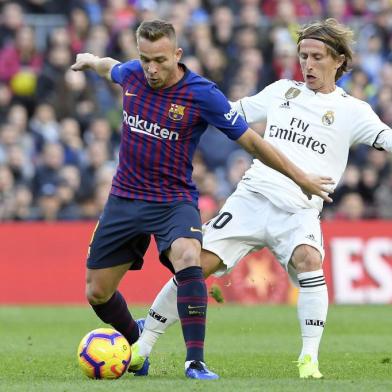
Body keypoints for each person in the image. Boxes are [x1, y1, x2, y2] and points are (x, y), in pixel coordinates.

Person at [70, 19, 333, 380]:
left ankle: (195, 362)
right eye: (145, 58)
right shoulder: (132, 75)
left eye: (159, 60)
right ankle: (137, 345)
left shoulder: (201, 93)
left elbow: (252, 142)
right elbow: (108, 67)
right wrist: (88, 59)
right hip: (124, 198)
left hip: (173, 200)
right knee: (97, 293)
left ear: (177, 55)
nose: (151, 68)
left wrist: (300, 177)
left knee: (189, 257)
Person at [134, 18, 392, 379]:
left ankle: (308, 359)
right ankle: (141, 346)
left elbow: (387, 138)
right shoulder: (282, 91)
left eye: (317, 56)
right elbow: (230, 114)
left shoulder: (354, 111)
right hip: (252, 197)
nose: (308, 64)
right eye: (303, 55)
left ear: (338, 60)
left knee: (309, 258)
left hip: (299, 209)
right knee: (195, 265)